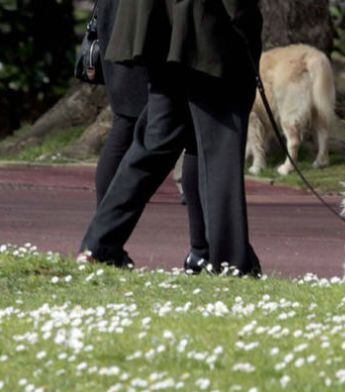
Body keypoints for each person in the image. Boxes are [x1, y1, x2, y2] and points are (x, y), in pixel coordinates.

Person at [78, 0, 263, 276]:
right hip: (206, 28)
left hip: (156, 23)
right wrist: (244, 23)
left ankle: (100, 243)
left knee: (156, 140)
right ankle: (229, 261)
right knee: (219, 143)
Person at [93, 0, 209, 271]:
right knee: (141, 128)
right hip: (147, 19)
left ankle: (102, 243)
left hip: (134, 18)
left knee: (135, 128)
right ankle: (103, 243)